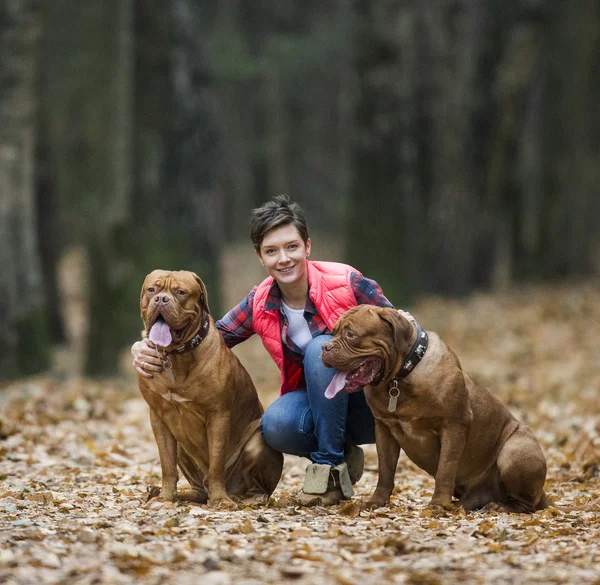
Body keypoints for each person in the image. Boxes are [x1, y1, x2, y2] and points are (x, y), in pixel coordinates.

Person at [132, 195, 394, 505]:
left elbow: (401, 329)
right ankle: (338, 451)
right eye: (272, 251)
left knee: (320, 349)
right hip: (322, 405)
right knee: (275, 424)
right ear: (260, 257)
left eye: (291, 247)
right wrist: (146, 343)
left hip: (371, 404)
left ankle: (328, 471)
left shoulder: (347, 282)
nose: (283, 259)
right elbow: (211, 338)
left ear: (307, 247)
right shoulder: (261, 301)